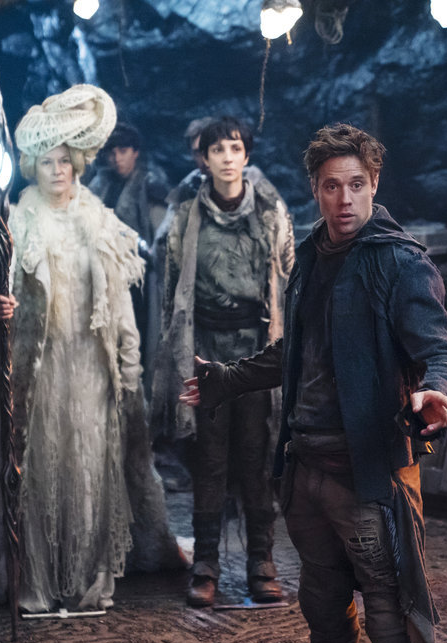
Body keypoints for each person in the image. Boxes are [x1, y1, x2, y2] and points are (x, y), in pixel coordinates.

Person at [179, 123, 447, 643]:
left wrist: (436, 390)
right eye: (332, 186)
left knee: (391, 619)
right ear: (315, 188)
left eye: (356, 184)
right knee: (324, 612)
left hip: (367, 473)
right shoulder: (312, 253)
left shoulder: (401, 262)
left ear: (375, 183)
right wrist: (228, 378)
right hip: (307, 467)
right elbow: (300, 349)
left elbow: (441, 352)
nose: (345, 199)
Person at [0, 84, 183, 613]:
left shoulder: (99, 219)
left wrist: (128, 366)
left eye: (65, 161)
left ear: (78, 165)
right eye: (47, 162)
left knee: (91, 467)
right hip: (39, 366)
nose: (57, 171)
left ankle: (89, 576)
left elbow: (120, 304)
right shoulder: (17, 219)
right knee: (42, 467)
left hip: (90, 364)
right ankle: (35, 577)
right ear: (33, 167)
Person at [152, 116, 295, 608]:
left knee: (257, 455)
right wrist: (178, 356)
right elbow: (171, 286)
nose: (228, 158)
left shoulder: (270, 212)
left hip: (256, 349)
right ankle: (206, 565)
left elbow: (287, 273)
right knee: (209, 459)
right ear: (205, 159)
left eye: (235, 148)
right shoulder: (187, 214)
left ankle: (261, 563)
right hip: (206, 348)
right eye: (218, 150)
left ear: (246, 155)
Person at [87, 121, 169, 389]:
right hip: (104, 273)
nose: (117, 158)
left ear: (135, 152)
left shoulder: (150, 185)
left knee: (139, 338)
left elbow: (160, 238)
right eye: (112, 153)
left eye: (123, 151)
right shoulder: (100, 184)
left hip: (140, 280)